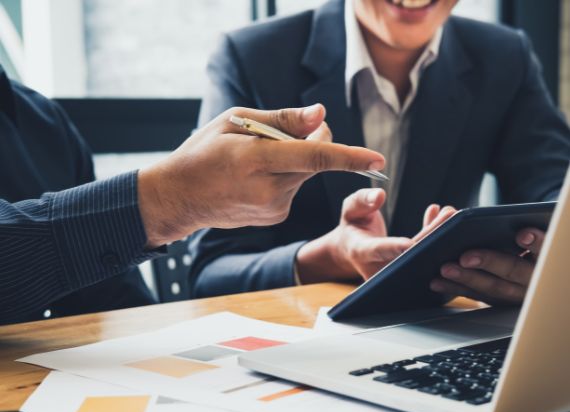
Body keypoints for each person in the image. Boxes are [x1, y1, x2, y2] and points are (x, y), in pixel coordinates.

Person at [190, 0, 570, 304]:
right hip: (295, 339)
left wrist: (542, 259)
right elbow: (211, 272)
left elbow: (556, 195)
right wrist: (331, 257)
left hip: (446, 329)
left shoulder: (505, 56)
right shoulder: (252, 57)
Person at [0, 65, 384, 324]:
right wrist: (165, 201)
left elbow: (113, 303)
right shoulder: (257, 55)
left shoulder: (43, 122)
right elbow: (211, 270)